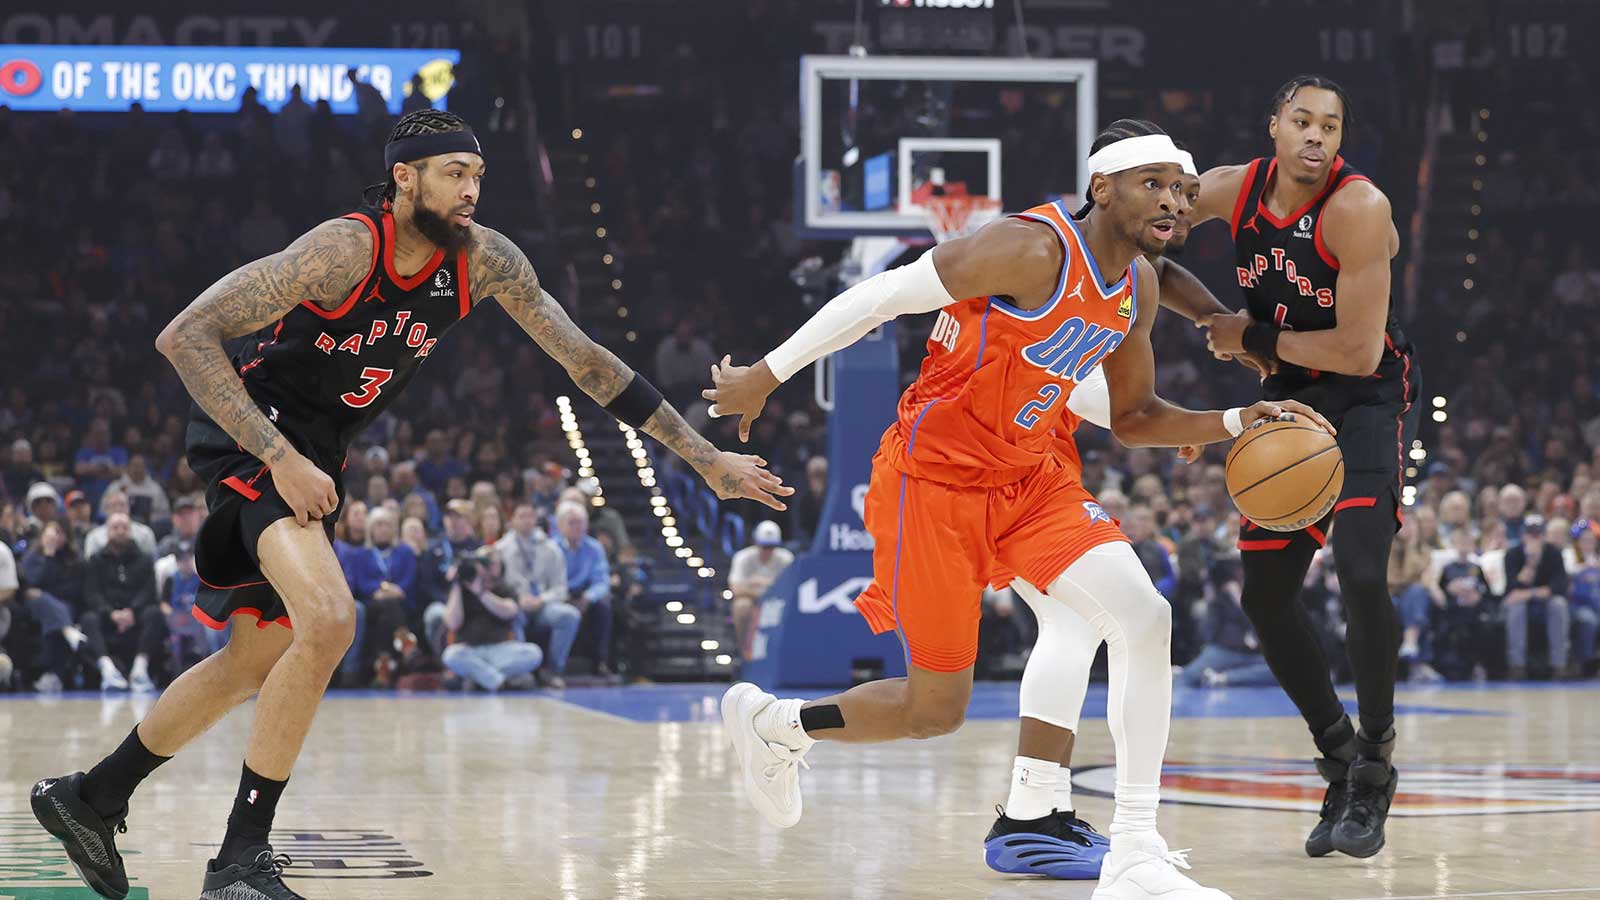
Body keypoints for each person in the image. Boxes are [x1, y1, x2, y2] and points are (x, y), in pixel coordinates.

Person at [31, 108, 789, 900]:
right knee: (330, 621)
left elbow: (588, 364)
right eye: (454, 173)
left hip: (317, 454)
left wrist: (706, 462)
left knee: (253, 660)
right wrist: (278, 455)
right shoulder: (343, 250)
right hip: (257, 439)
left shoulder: (488, 261)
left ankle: (90, 798)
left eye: (479, 175)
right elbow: (186, 336)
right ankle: (238, 863)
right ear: (404, 178)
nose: (472, 190)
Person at [708, 120, 1330, 900]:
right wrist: (768, 372)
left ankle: (1133, 847)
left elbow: (1135, 417)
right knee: (934, 711)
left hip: (1031, 478)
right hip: (931, 486)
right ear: (1103, 187)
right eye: (1153, 184)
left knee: (1141, 616)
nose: (1173, 198)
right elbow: (882, 296)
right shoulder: (1026, 249)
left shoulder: (1135, 286)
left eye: (1181, 187)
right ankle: (782, 727)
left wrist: (1240, 422)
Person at [1176, 76, 1420, 858]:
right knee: (1265, 597)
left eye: (1332, 126)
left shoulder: (1359, 208)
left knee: (1357, 570)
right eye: (1303, 122)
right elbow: (1145, 240)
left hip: (1365, 402)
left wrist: (1246, 337)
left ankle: (1377, 761)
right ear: (1274, 127)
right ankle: (1339, 752)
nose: (1317, 137)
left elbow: (1354, 350)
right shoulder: (1230, 189)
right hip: (1288, 401)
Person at [495, 502, 580, 687]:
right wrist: (518, 599)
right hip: (515, 602)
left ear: (536, 520)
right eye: (521, 516)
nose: (526, 521)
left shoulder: (551, 549)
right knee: (511, 614)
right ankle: (521, 671)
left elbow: (560, 588)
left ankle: (554, 670)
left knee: (569, 616)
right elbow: (496, 585)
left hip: (543, 603)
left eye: (530, 516)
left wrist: (542, 599)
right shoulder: (500, 549)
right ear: (512, 521)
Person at [79, 513, 165, 693]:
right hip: (107, 616)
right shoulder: (95, 560)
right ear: (107, 532)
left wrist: (132, 611)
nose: (120, 531)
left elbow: (149, 591)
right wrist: (111, 613)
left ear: (131, 531)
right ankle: (108, 670)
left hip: (136, 615)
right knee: (88, 618)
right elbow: (92, 593)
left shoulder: (144, 558)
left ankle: (140, 670)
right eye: (115, 527)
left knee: (155, 614)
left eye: (124, 527)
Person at [438, 554, 545, 691]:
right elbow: (452, 623)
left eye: (492, 563)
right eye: (483, 563)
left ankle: (479, 679)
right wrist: (457, 584)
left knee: (533, 653)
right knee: (451, 655)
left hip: (500, 650)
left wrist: (481, 593)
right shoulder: (461, 591)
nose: (487, 568)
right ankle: (499, 681)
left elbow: (509, 611)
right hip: (470, 651)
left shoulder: (505, 588)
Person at [1502, 516, 1571, 680]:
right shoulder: (1513, 554)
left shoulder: (1554, 553)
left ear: (1544, 535)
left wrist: (1529, 593)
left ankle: (1559, 665)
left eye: (1538, 534)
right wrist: (1530, 565)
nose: (1534, 538)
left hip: (1546, 601)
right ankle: (1517, 665)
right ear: (1523, 536)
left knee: (1559, 605)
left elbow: (1558, 587)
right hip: (1520, 602)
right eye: (1530, 534)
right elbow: (1511, 589)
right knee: (1516, 607)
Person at [555, 500, 615, 675]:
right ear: (560, 525)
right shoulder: (552, 547)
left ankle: (600, 662)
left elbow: (602, 580)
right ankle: (554, 666)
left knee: (604, 608)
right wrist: (562, 596)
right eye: (572, 522)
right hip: (560, 594)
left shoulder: (595, 548)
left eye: (580, 522)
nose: (577, 527)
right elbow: (547, 580)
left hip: (585, 595)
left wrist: (589, 597)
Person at [728, 520, 795, 660]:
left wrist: (758, 585)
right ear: (756, 542)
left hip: (778, 601)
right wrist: (769, 588)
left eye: (771, 546)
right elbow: (736, 589)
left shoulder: (786, 558)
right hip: (754, 600)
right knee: (741, 606)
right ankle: (744, 654)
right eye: (764, 546)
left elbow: (791, 589)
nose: (767, 551)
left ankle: (786, 655)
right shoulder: (743, 557)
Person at [84, 489, 158, 560]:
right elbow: (90, 566)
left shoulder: (145, 533)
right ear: (105, 510)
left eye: (122, 504)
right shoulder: (94, 537)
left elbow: (152, 562)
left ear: (129, 508)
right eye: (113, 505)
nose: (118, 509)